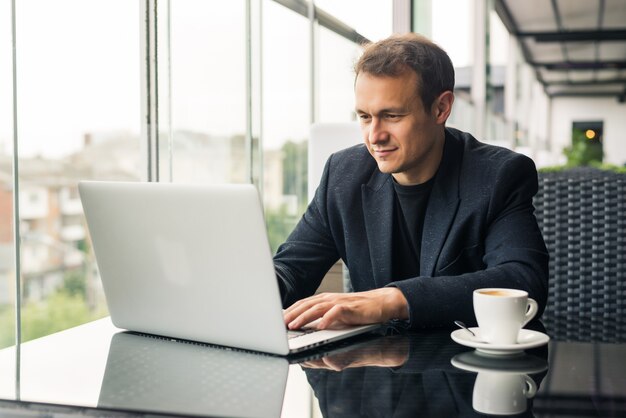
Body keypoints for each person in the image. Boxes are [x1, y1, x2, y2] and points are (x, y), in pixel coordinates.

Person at [275, 33, 549, 331]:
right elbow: (291, 270)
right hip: (373, 367)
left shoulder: (498, 176)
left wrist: (395, 300)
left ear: (441, 108)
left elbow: (522, 281)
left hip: (466, 368)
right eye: (365, 117)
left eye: (391, 116)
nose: (374, 136)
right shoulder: (343, 175)